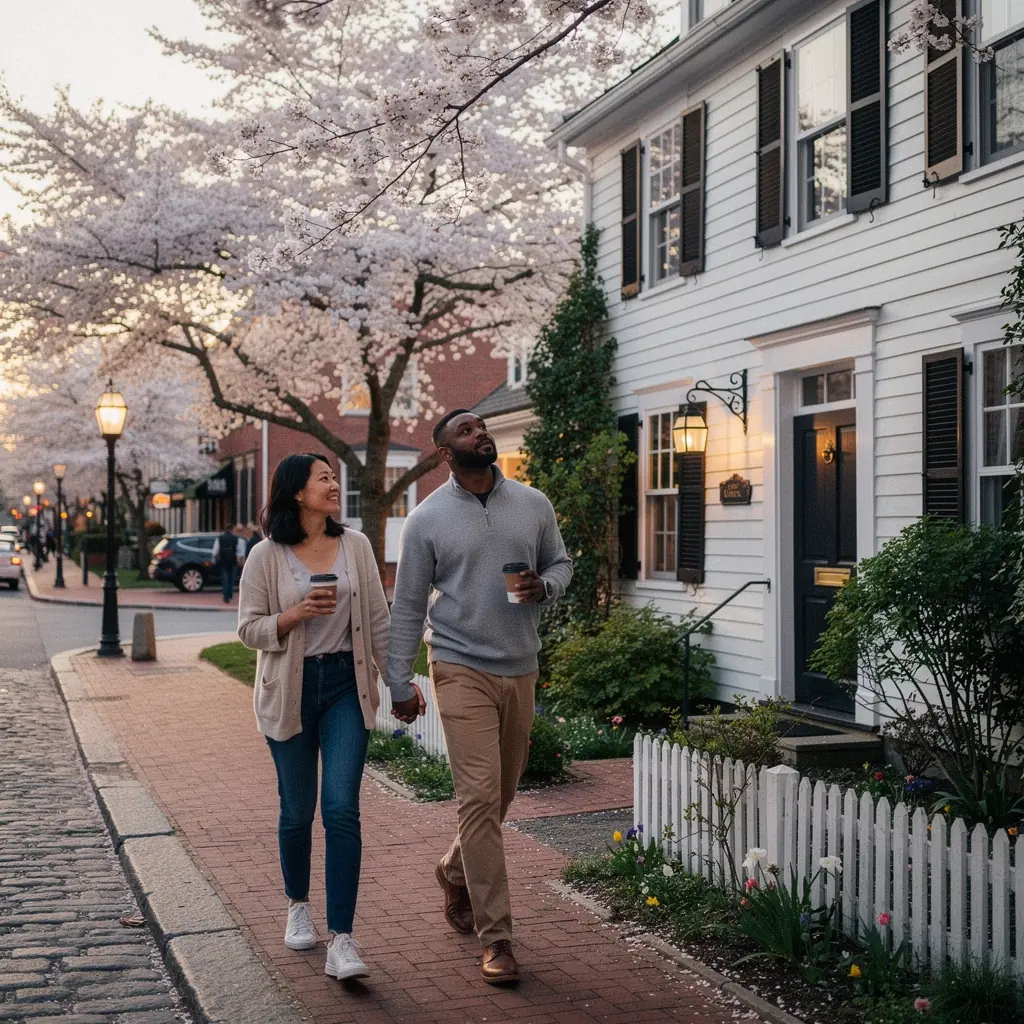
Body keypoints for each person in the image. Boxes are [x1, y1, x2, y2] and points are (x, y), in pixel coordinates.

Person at [387, 410, 572, 985]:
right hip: (459, 665)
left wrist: (548, 586)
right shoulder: (425, 521)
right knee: (478, 800)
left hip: (520, 667)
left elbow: (560, 563)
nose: (480, 434)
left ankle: (452, 869)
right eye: (465, 431)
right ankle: (498, 939)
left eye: (482, 426)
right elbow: (409, 605)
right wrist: (398, 680)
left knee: (502, 796)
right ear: (446, 452)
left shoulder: (533, 504)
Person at [238, 453, 390, 982]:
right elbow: (249, 630)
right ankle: (297, 903)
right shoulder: (266, 555)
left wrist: (398, 680)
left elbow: (377, 619)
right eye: (323, 477)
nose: (333, 484)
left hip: (347, 687)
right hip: (290, 691)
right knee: (297, 811)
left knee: (342, 808)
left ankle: (343, 940)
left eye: (333, 477)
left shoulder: (356, 546)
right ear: (296, 492)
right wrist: (293, 615)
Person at [212, 523, 245, 602]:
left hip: (223, 561)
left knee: (225, 578)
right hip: (233, 561)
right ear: (232, 529)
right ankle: (230, 595)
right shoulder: (237, 538)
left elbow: (215, 551)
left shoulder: (220, 538)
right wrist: (241, 560)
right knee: (231, 579)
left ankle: (225, 595)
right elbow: (241, 551)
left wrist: (214, 559)